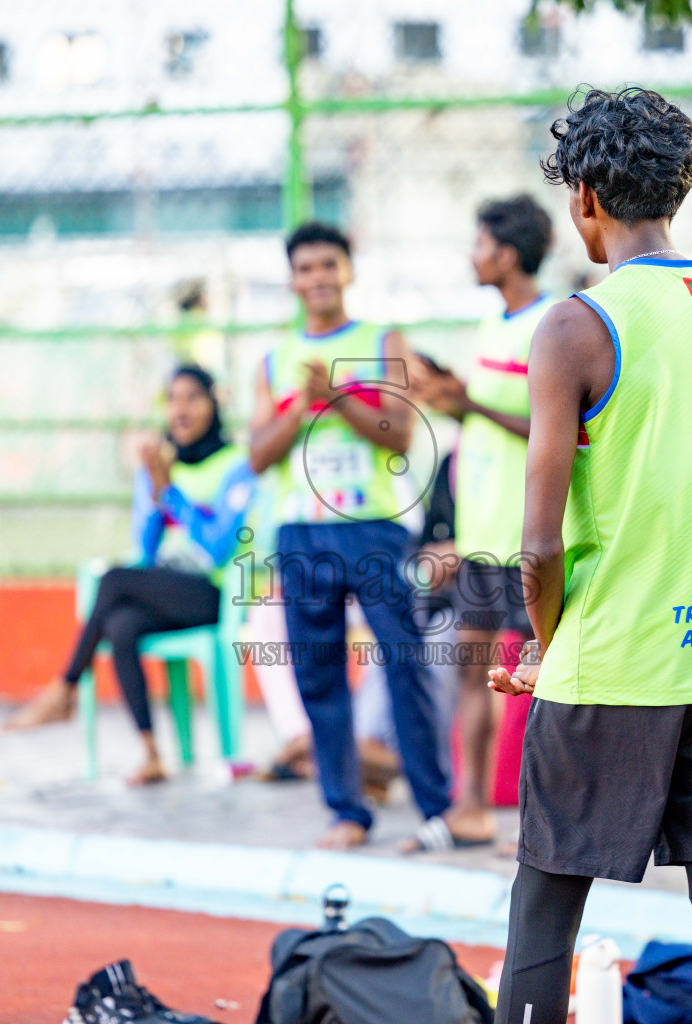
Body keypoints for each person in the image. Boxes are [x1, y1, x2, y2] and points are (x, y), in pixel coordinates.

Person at [486, 87, 692, 1024]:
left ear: (584, 196)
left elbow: (539, 542)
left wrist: (546, 643)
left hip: (618, 662)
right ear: (680, 185)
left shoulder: (576, 326)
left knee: (544, 912)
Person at [249, 221, 453, 850]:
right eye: (306, 268)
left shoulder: (380, 340)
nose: (318, 279)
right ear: (292, 278)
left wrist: (336, 396)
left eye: (328, 266)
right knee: (318, 673)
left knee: (403, 660)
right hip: (301, 532)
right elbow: (257, 454)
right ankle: (346, 811)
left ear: (348, 271)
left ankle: (434, 809)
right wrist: (301, 409)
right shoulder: (273, 358)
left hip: (372, 529)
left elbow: (400, 431)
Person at [5, 365, 254, 785]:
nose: (181, 409)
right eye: (173, 399)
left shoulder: (236, 466)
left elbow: (217, 551)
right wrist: (154, 487)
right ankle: (153, 753)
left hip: (214, 594)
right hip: (165, 589)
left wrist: (172, 493)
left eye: (192, 397)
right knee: (121, 624)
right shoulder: (160, 465)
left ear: (214, 403)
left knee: (114, 581)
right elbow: (146, 549)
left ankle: (64, 687)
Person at [405, 195, 555, 851]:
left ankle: (541, 819)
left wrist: (470, 403)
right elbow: (493, 414)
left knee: (542, 677)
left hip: (531, 533)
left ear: (510, 252)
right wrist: (453, 401)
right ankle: (470, 808)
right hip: (480, 532)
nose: (474, 254)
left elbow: (555, 425)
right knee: (473, 672)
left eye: (482, 242)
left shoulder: (552, 323)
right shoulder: (495, 325)